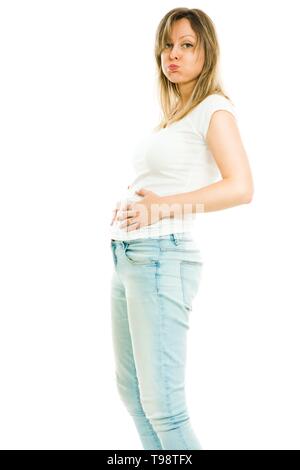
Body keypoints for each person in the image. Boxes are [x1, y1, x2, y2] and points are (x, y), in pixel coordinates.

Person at [109, 7, 254, 450]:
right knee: (134, 398)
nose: (173, 54)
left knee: (166, 411)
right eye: (167, 46)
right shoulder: (175, 115)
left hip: (161, 259)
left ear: (206, 51)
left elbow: (242, 187)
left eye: (186, 44)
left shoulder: (215, 109)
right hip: (131, 260)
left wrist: (163, 209)